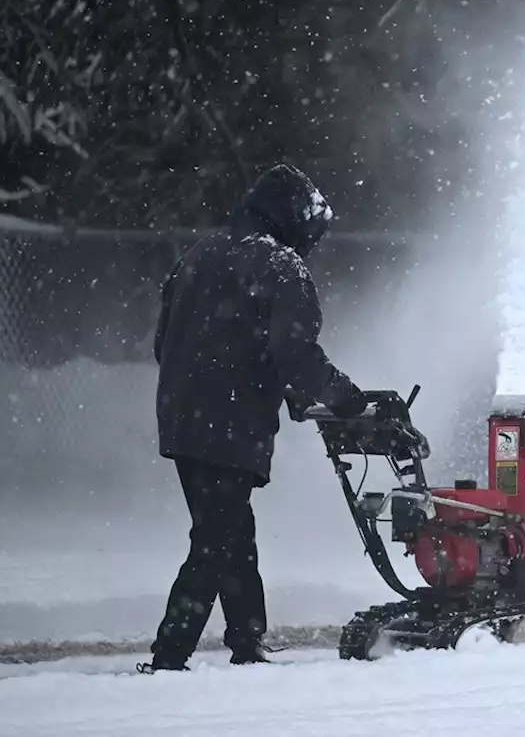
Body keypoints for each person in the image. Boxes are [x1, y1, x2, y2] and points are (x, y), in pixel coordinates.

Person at [139, 164, 368, 674]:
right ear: (293, 219)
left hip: (183, 418)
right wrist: (348, 400)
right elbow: (295, 351)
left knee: (230, 531)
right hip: (231, 425)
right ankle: (169, 656)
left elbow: (167, 344)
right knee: (216, 541)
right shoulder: (280, 265)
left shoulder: (199, 254)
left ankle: (248, 641)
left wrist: (235, 383)